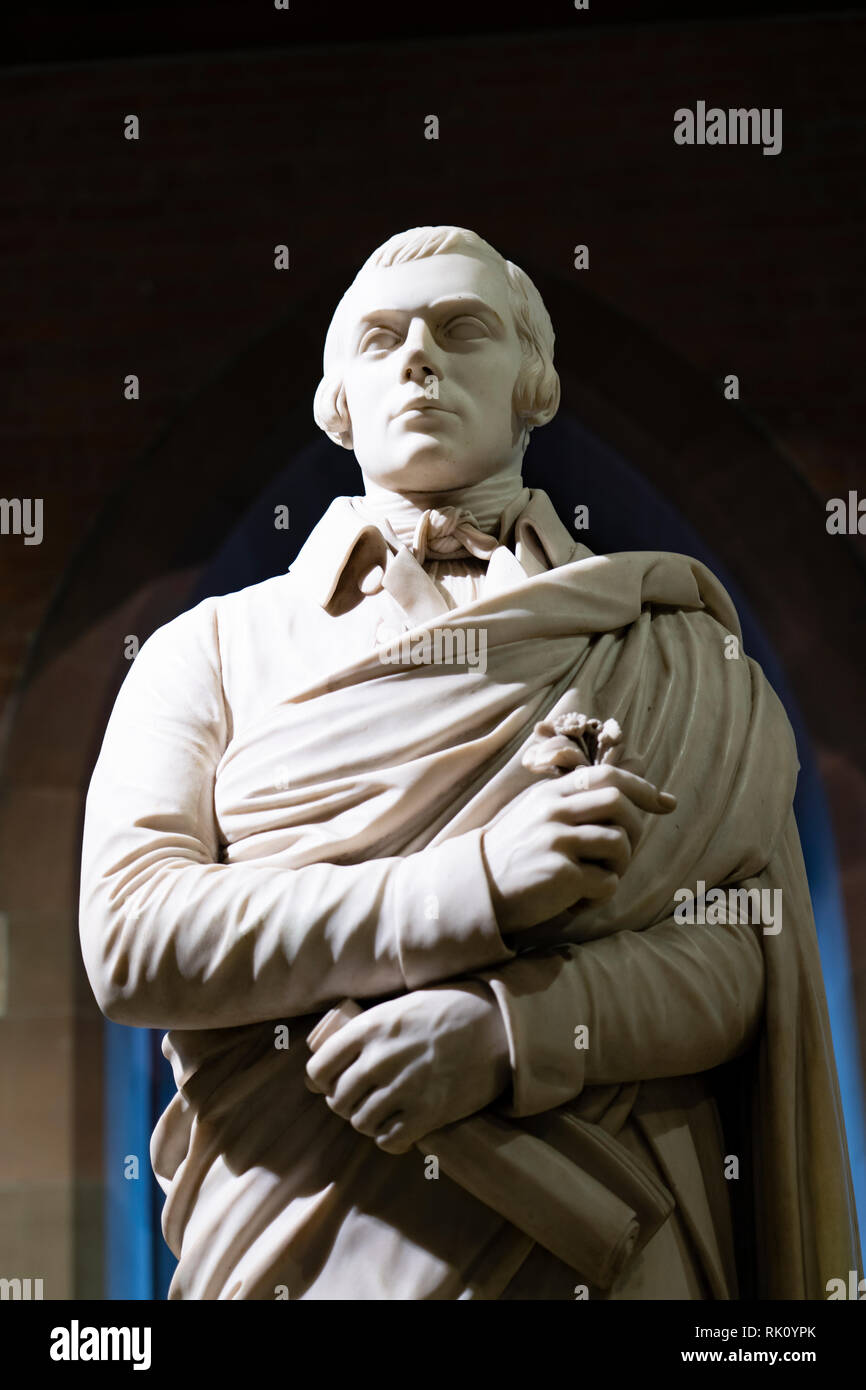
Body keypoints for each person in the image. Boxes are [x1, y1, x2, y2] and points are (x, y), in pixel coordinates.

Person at [79, 225, 860, 1299]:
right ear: (337, 397)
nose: (418, 359)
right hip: (308, 1243)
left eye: (462, 330)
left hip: (614, 1252)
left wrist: (513, 1032)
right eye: (381, 339)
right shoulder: (206, 652)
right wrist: (474, 885)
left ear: (530, 380)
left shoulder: (672, 647)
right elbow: (134, 936)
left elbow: (741, 961)